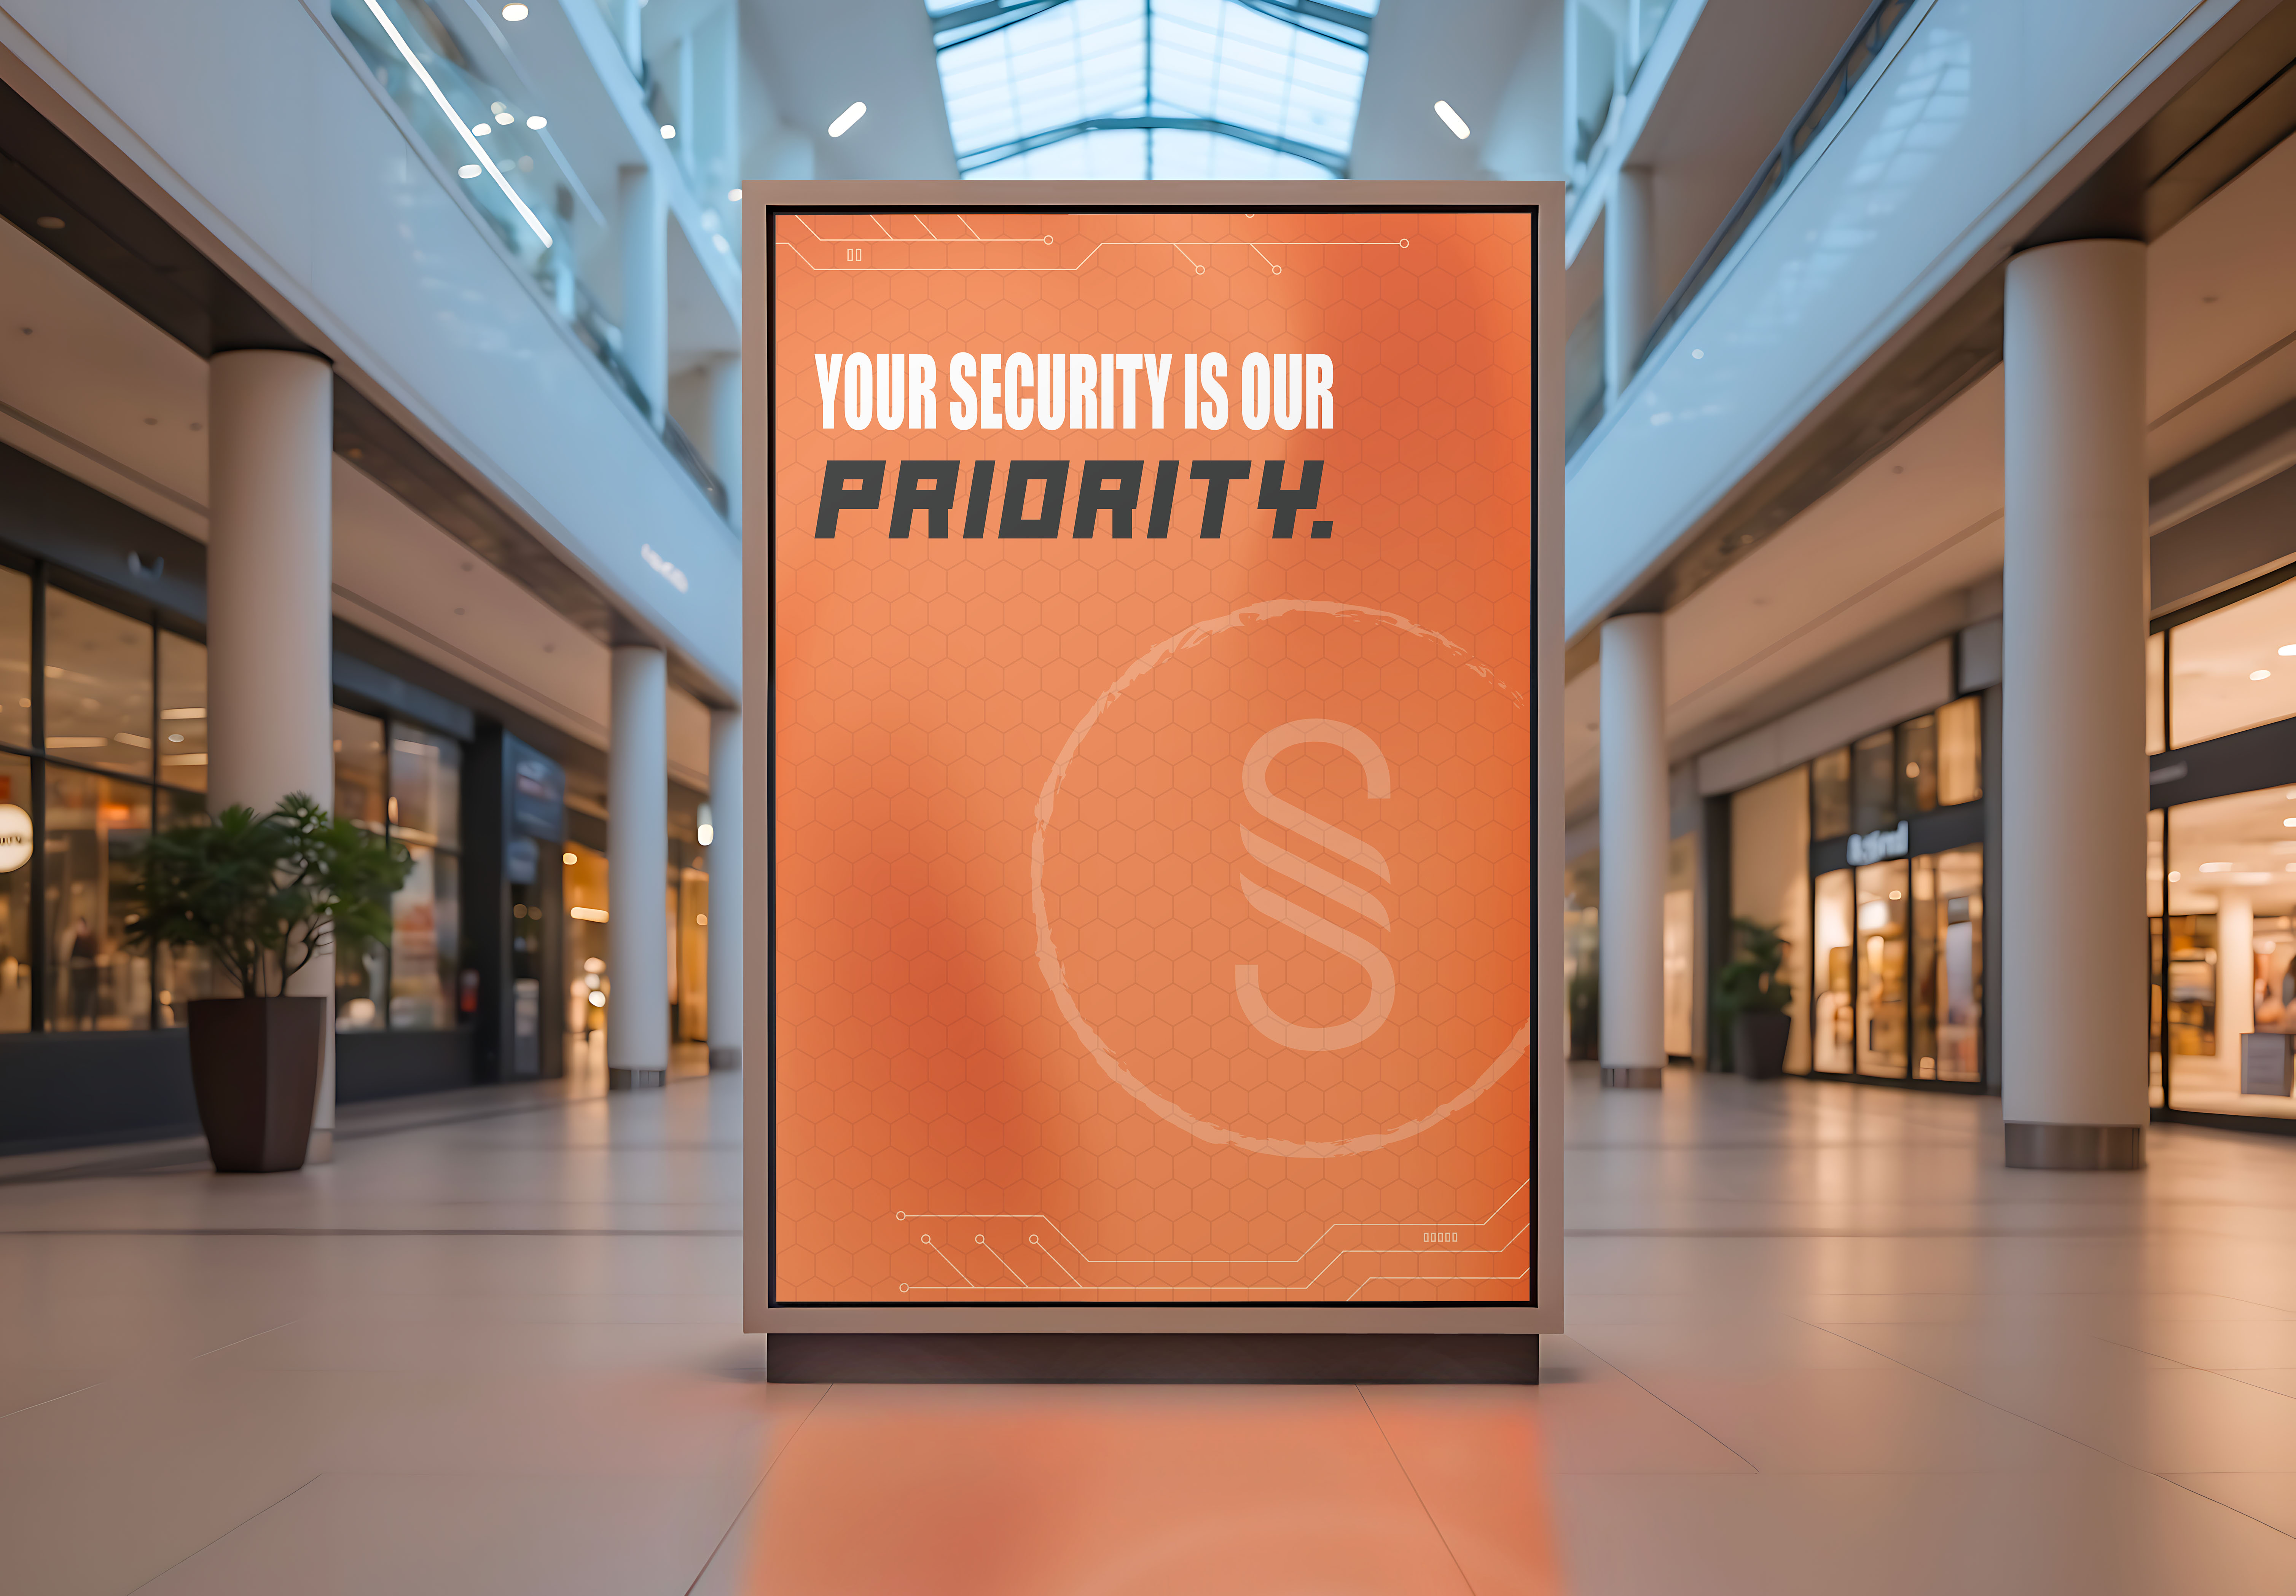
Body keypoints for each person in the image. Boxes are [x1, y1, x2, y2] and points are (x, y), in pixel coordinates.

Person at [66, 916, 99, 1029]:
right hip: (78, 977)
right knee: (79, 1001)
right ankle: (78, 1022)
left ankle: (93, 1023)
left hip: (89, 977)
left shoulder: (91, 939)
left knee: (90, 1000)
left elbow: (93, 957)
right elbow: (72, 957)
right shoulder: (77, 939)